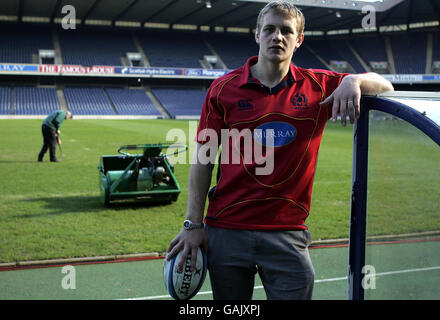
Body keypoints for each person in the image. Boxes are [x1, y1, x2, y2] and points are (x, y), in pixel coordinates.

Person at [166, 0, 394, 300]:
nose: (278, 37)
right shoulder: (222, 89)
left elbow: (386, 86)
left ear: (299, 40)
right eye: (270, 29)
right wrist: (193, 224)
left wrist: (353, 79)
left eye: (286, 31)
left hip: (287, 233)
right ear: (257, 35)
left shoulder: (319, 86)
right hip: (226, 230)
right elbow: (202, 159)